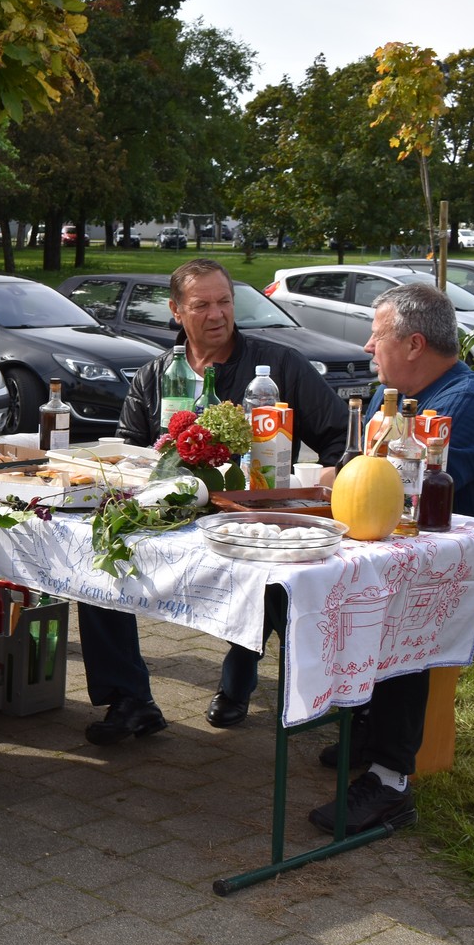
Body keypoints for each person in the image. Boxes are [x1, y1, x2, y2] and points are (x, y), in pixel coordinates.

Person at [80, 259, 349, 744]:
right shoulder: (155, 373)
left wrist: (329, 476)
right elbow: (128, 452)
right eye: (201, 305)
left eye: (224, 302)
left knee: (273, 571)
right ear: (176, 311)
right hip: (168, 517)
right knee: (96, 556)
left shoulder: (280, 366)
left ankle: (240, 673)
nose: (217, 314)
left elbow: (340, 437)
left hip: (248, 514)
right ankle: (129, 699)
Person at [307, 281, 474, 835]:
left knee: (400, 610)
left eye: (376, 335)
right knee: (311, 590)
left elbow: (403, 495)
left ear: (413, 344)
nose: (367, 347)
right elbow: (358, 474)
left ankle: (390, 782)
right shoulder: (402, 400)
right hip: (423, 563)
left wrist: (341, 479)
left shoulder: (468, 402)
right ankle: (367, 720)